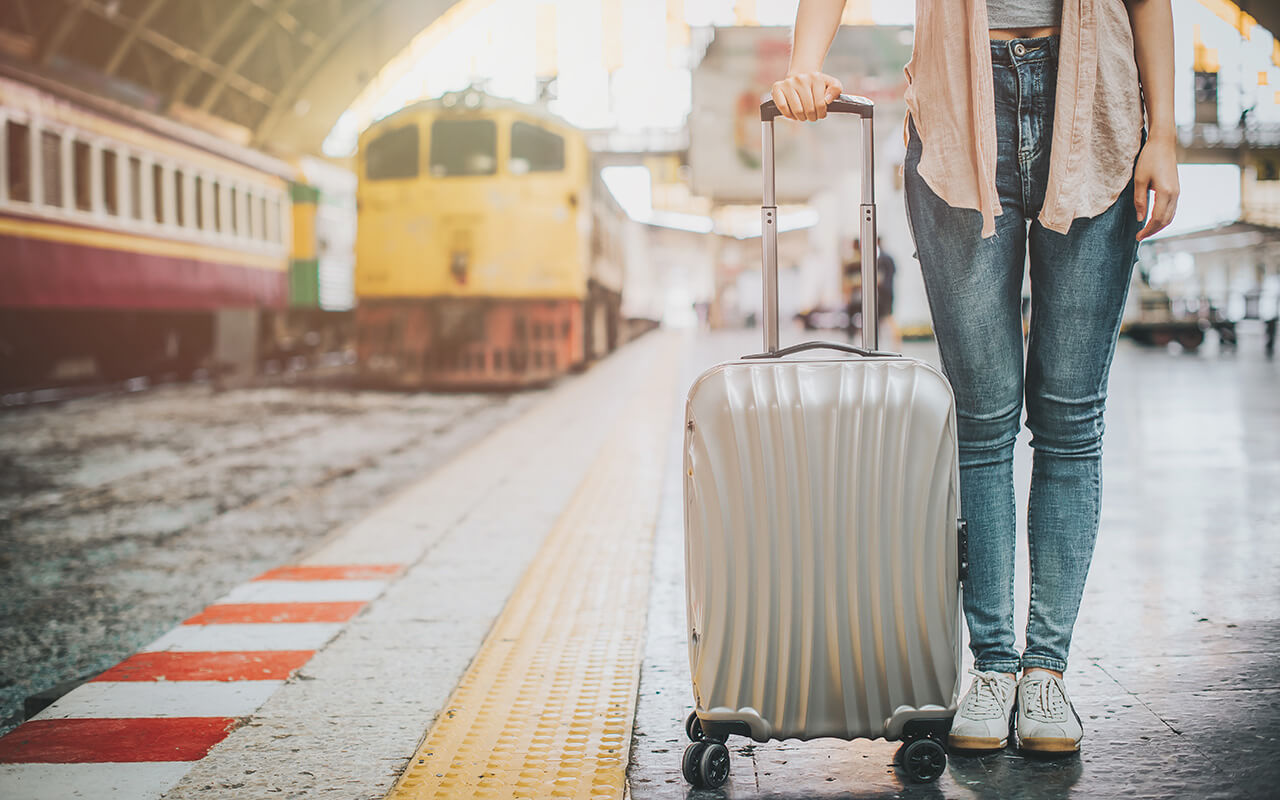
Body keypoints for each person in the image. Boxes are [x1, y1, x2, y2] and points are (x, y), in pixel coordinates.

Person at [772, 0, 1178, 756]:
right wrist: (803, 62)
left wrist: (1166, 135)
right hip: (960, 105)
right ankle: (994, 667)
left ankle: (1045, 670)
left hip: (1096, 104)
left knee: (1069, 421)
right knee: (983, 421)